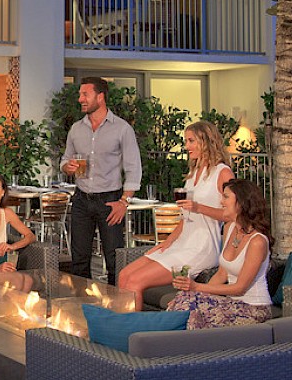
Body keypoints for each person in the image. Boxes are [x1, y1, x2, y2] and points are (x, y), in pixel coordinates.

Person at [118, 120, 233, 310]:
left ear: (206, 141)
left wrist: (199, 208)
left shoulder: (222, 173)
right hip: (181, 243)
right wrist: (167, 242)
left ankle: (131, 335)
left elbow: (232, 214)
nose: (186, 146)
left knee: (135, 282)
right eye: (186, 141)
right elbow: (185, 219)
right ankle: (121, 326)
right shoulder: (193, 171)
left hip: (201, 247)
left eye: (191, 141)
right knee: (124, 275)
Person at [60, 77, 142, 283]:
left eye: (85, 94)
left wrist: (124, 202)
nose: (80, 99)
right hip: (81, 199)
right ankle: (81, 302)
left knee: (114, 258)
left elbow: (133, 168)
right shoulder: (76, 129)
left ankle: (116, 304)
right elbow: (64, 160)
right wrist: (66, 167)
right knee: (78, 258)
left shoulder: (122, 129)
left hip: (110, 200)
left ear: (100, 96)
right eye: (80, 94)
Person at [165, 179, 272, 329]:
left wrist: (196, 287)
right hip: (232, 302)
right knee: (185, 298)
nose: (221, 202)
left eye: (226, 197)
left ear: (241, 203)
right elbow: (222, 274)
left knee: (191, 312)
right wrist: (195, 294)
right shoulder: (230, 229)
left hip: (253, 309)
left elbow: (239, 288)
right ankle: (163, 341)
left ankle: (171, 345)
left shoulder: (257, 242)